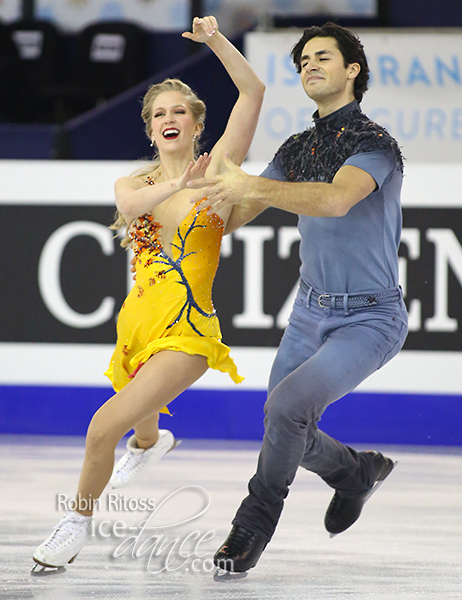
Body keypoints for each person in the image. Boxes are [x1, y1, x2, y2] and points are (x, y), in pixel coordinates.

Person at [32, 15, 265, 570]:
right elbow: (133, 208)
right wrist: (176, 184)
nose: (169, 118)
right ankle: (149, 443)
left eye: (179, 111)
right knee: (140, 413)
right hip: (135, 324)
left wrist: (214, 41)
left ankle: (75, 524)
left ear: (195, 123)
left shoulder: (218, 173)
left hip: (187, 331)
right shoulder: (134, 184)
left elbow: (253, 91)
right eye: (159, 113)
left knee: (100, 428)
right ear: (149, 128)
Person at [189, 22, 408, 573]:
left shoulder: (374, 144)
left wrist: (251, 184)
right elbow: (236, 215)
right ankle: (354, 474)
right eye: (303, 60)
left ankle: (252, 525)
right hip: (311, 310)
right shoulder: (296, 148)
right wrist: (195, 189)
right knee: (284, 423)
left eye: (322, 57)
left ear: (352, 70)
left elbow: (336, 201)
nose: (309, 65)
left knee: (287, 410)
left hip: (371, 318)